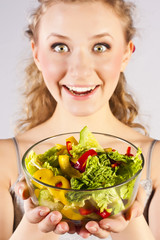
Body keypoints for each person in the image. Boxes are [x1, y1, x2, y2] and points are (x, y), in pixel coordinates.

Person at [0, 0, 159, 239]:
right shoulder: (5, 162)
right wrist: (37, 217)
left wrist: (128, 215)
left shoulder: (155, 163)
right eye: (60, 47)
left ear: (126, 53)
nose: (80, 70)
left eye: (100, 46)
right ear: (37, 54)